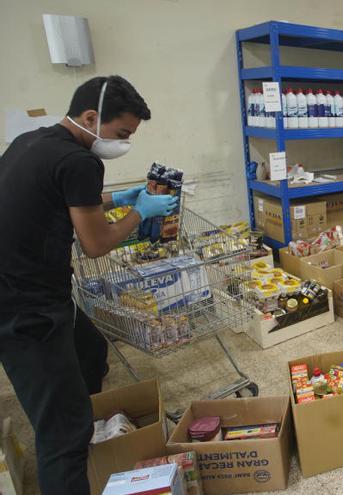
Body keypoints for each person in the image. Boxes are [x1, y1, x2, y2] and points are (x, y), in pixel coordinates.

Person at [0, 76, 177, 495]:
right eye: (122, 134)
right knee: (62, 435)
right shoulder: (82, 162)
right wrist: (142, 211)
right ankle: (72, 430)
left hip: (23, 285)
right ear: (91, 116)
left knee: (90, 350)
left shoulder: (31, 141)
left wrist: (119, 200)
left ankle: (78, 410)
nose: (124, 144)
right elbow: (96, 244)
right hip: (25, 306)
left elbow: (56, 198)